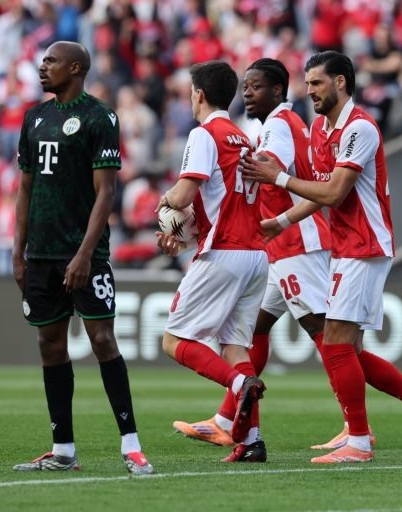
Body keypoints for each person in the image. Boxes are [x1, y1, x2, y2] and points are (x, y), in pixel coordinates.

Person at [242, 51, 402, 464]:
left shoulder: (360, 128)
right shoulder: (320, 128)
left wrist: (280, 178)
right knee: (349, 351)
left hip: (366, 244)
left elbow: (335, 192)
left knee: (336, 342)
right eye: (308, 84)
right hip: (344, 247)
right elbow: (320, 192)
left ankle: (359, 440)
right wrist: (283, 220)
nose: (310, 91)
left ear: (341, 82)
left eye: (317, 83)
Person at [11, 41, 154, 475]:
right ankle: (63, 450)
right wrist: (18, 251)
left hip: (84, 254)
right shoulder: (34, 118)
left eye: (51, 61)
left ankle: (131, 446)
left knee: (102, 340)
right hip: (41, 254)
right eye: (42, 61)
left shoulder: (99, 117)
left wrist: (84, 254)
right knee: (49, 345)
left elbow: (106, 192)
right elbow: (25, 188)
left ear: (75, 68)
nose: (43, 67)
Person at [155, 60, 269, 463]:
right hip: (256, 255)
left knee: (173, 341)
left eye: (190, 92)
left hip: (225, 253)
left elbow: (185, 195)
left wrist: (164, 203)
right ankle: (252, 441)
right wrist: (184, 237)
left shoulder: (204, 134)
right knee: (235, 346)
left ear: (199, 94)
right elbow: (223, 204)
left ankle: (239, 386)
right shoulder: (243, 139)